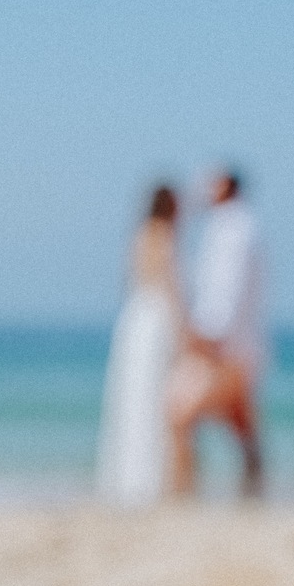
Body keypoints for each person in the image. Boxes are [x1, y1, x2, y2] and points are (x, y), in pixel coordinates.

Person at [168, 170, 267, 498]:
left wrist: (209, 335)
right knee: (239, 419)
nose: (207, 188)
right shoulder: (241, 226)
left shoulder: (231, 230)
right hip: (239, 342)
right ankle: (251, 488)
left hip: (223, 343)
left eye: (214, 183)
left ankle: (185, 492)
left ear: (227, 187)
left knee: (180, 414)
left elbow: (227, 288)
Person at [95, 184, 186, 506]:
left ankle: (130, 482)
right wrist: (183, 331)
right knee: (154, 401)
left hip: (134, 319)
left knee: (132, 400)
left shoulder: (139, 236)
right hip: (156, 321)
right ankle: (150, 483)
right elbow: (171, 287)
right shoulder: (164, 236)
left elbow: (130, 281)